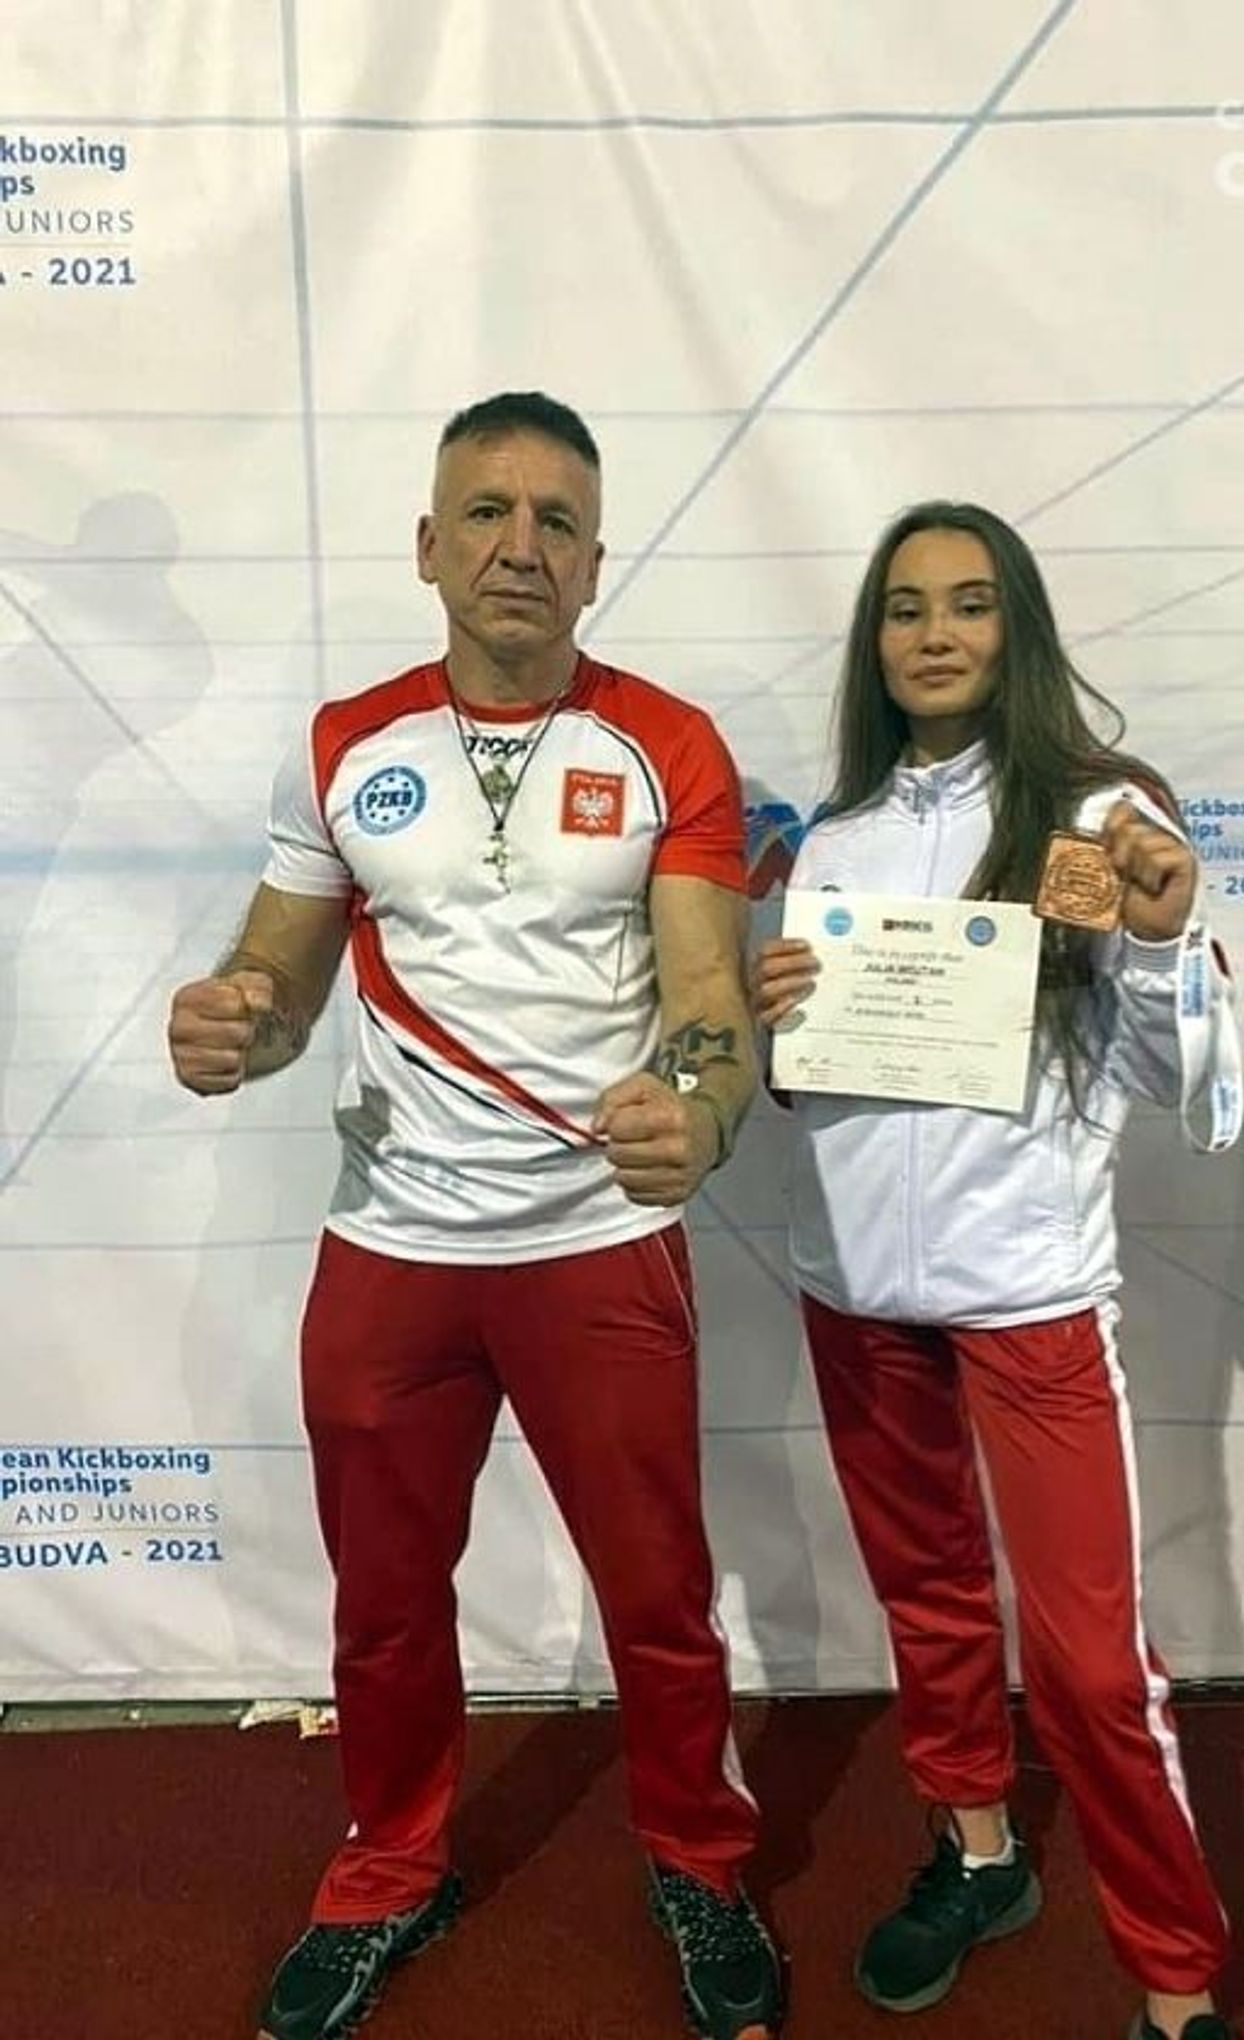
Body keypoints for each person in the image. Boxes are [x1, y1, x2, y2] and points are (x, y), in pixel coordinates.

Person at [167, 392, 784, 2040]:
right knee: (382, 1607)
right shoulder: (340, 746)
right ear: (429, 546)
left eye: (557, 519)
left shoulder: (668, 744)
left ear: (594, 560)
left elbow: (707, 998)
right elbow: (279, 978)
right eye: (489, 513)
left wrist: (700, 1113)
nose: (522, 545)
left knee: (657, 1600)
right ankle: (389, 1868)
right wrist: (236, 1021)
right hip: (392, 1248)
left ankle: (698, 1861)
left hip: (594, 1243)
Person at [752, 502, 1244, 2040]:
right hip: (854, 1292)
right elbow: (807, 1088)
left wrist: (1158, 942)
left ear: (1014, 627)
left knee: (1091, 1669)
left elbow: (1171, 1080)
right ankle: (977, 1856)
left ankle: (1174, 1984)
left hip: (1026, 1292)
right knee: (928, 1597)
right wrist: (781, 1020)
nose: (935, 634)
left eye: (968, 604)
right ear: (873, 642)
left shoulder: (1088, 820)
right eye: (905, 608)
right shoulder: (834, 839)